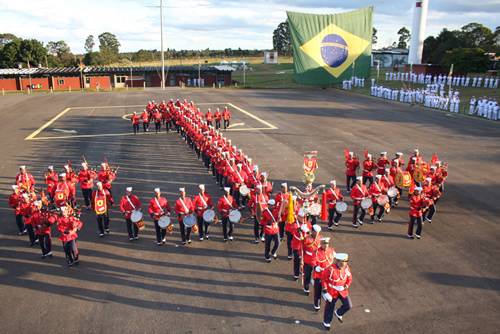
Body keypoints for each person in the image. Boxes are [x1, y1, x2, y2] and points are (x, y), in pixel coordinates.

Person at [321, 253, 353, 331]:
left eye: (345, 262)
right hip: (332, 292)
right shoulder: (330, 269)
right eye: (342, 262)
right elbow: (324, 280)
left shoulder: (346, 268)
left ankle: (338, 313)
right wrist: (325, 292)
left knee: (348, 305)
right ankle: (327, 322)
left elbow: (349, 279)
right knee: (329, 308)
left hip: (342, 291)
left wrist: (345, 286)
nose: (344, 264)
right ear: (337, 261)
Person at [313, 237, 335, 311]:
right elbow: (313, 261)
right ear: (321, 244)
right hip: (319, 275)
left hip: (328, 276)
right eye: (324, 244)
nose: (326, 245)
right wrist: (316, 267)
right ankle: (317, 304)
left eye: (327, 244)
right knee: (317, 291)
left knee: (330, 290)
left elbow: (333, 260)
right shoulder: (316, 252)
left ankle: (326, 297)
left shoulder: (331, 250)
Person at [303, 224, 321, 295]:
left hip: (316, 260)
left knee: (317, 275)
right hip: (308, 260)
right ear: (312, 231)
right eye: (315, 232)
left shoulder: (319, 238)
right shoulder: (307, 238)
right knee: (307, 275)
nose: (317, 234)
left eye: (318, 232)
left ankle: (314, 282)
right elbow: (302, 248)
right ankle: (306, 288)